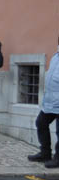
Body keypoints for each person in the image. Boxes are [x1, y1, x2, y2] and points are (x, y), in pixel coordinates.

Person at [28, 39, 59, 167]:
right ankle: (45, 153)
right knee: (40, 123)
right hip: (51, 101)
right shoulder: (56, 56)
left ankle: (58, 158)